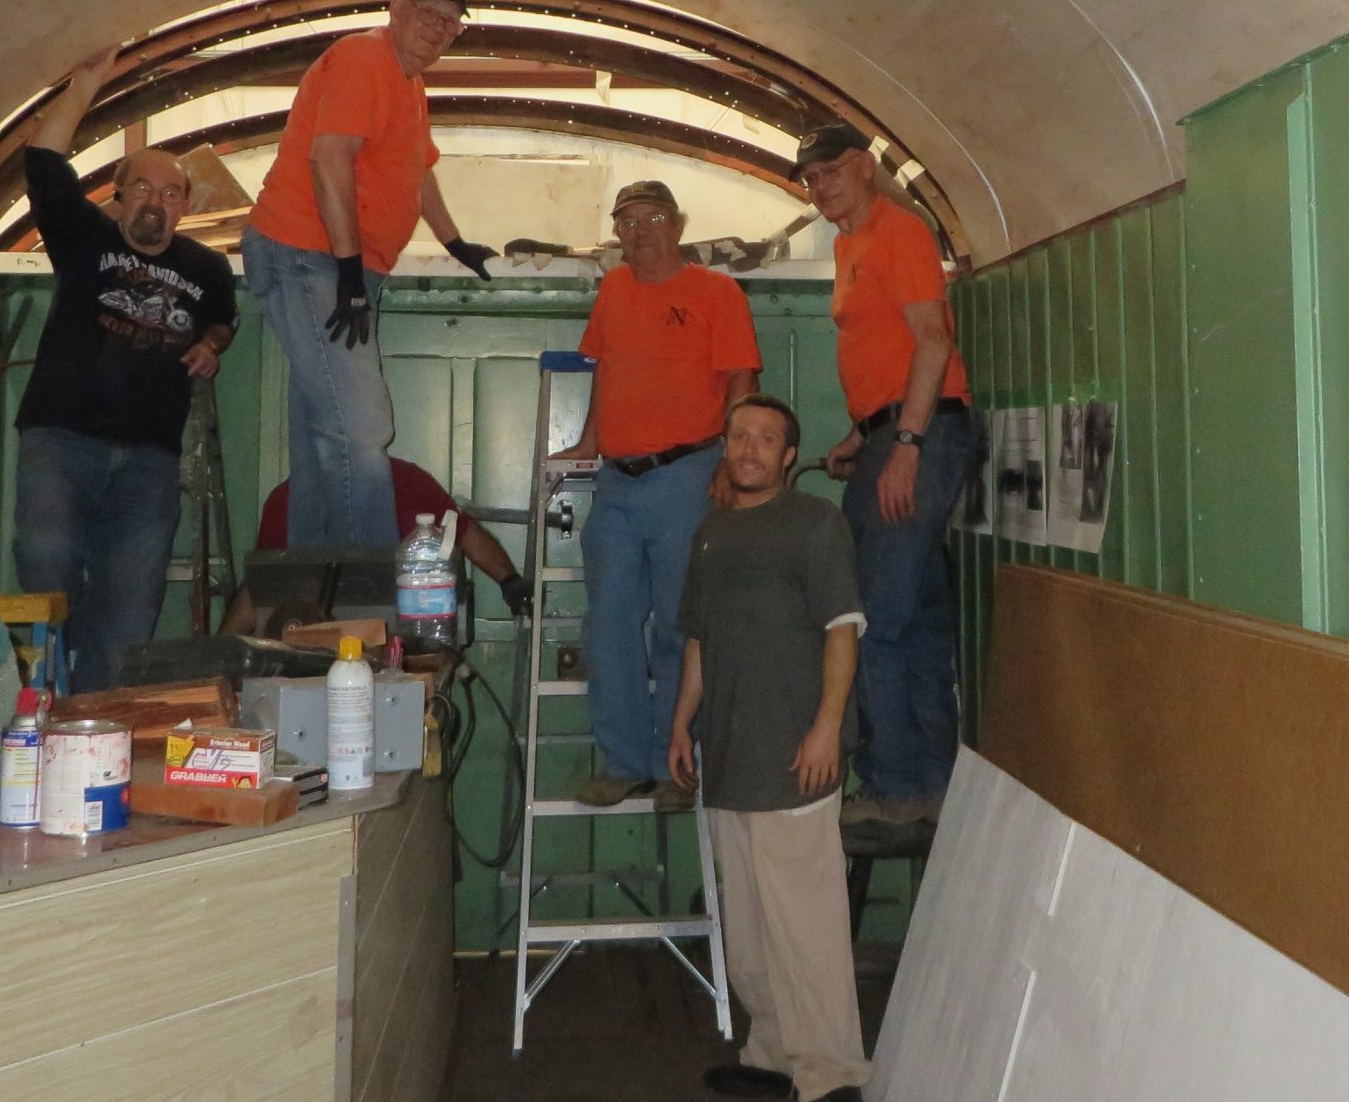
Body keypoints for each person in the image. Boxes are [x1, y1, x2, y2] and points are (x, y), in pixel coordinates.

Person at [669, 394, 871, 1102]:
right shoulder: (711, 533)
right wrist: (682, 723)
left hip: (796, 759)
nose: (749, 448)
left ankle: (834, 1082)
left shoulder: (817, 525)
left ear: (789, 456)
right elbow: (699, 640)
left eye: (766, 439)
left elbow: (843, 632)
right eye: (739, 436)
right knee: (751, 930)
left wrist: (826, 729)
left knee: (806, 930)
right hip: (729, 757)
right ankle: (775, 1055)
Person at [241, 0, 497, 549]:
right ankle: (370, 581)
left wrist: (454, 242)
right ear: (396, 8)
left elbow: (417, 172)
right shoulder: (364, 59)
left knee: (320, 435)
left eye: (451, 21)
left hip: (339, 265)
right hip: (308, 255)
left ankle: (308, 585)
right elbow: (328, 158)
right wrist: (350, 273)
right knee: (362, 428)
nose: (439, 28)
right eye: (428, 13)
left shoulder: (409, 83)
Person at [12, 49, 240, 692]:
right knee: (46, 568)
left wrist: (212, 345)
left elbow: (222, 320)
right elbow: (43, 162)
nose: (155, 202)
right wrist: (85, 82)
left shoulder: (208, 268)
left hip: (149, 460)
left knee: (131, 605)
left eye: (170, 192)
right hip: (61, 440)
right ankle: (44, 699)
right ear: (117, 195)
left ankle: (98, 720)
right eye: (142, 187)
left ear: (185, 205)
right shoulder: (85, 238)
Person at [553, 180, 760, 811]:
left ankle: (677, 765)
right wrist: (587, 442)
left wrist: (732, 460)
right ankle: (622, 764)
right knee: (607, 625)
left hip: (686, 477)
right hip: (616, 482)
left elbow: (742, 380)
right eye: (628, 221)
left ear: (678, 225)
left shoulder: (717, 293)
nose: (640, 232)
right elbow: (606, 371)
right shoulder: (613, 290)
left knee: (679, 625)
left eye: (653, 219)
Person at [792, 123, 976, 828]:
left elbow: (933, 340)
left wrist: (905, 446)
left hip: (920, 438)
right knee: (919, 618)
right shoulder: (849, 244)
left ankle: (895, 789)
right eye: (811, 178)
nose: (820, 186)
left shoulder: (898, 231)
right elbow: (888, 354)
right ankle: (936, 782)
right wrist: (862, 434)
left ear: (865, 167)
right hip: (890, 435)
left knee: (872, 621)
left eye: (831, 171)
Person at [217, 458, 531, 636]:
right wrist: (221, 653)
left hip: (405, 638)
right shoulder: (286, 499)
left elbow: (463, 532)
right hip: (311, 642)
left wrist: (509, 580)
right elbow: (261, 587)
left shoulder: (408, 482)